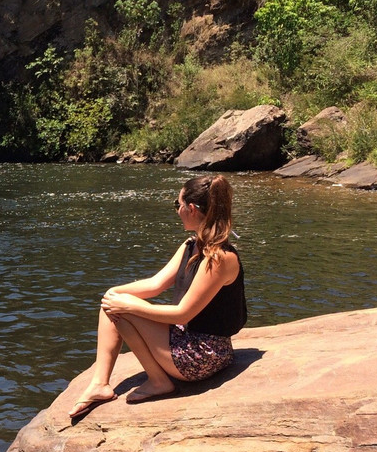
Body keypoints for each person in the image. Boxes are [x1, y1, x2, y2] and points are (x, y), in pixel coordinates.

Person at [67, 174, 247, 420]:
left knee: (121, 309)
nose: (177, 210)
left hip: (204, 354)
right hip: (188, 338)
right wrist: (117, 292)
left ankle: (159, 381)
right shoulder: (192, 245)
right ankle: (100, 384)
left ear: (192, 209)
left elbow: (183, 313)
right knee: (113, 302)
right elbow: (156, 284)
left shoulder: (220, 258)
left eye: (178, 204)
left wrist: (128, 305)